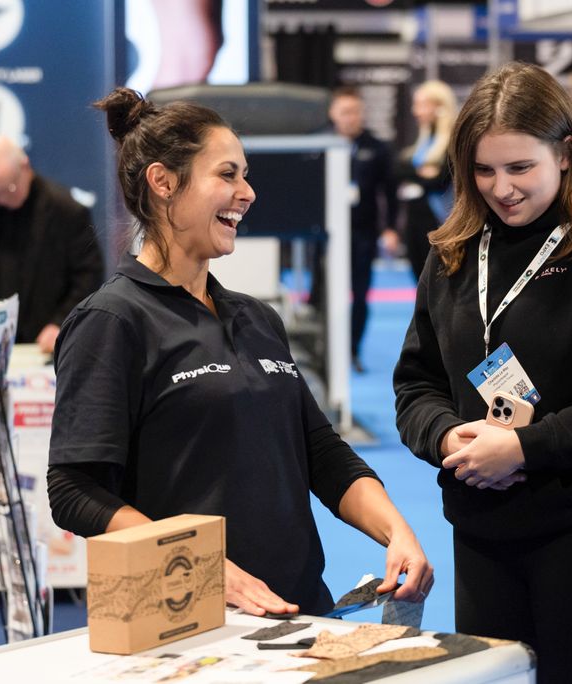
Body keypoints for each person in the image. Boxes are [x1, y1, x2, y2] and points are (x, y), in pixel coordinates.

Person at [46, 87, 433, 616]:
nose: (247, 193)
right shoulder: (112, 321)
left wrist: (396, 531)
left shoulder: (257, 318)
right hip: (187, 620)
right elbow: (74, 490)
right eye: (227, 174)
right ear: (163, 182)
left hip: (300, 613)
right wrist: (199, 563)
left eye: (245, 175)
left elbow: (321, 453)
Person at [393, 62, 572, 683]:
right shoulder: (451, 256)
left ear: (566, 153)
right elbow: (415, 385)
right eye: (484, 170)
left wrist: (526, 447)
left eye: (520, 167)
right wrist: (447, 437)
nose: (501, 188)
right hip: (480, 533)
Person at [0, 134, 104, 353]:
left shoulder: (67, 210)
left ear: (25, 167)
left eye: (9, 189)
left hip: (42, 342)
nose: (0, 199)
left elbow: (89, 275)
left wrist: (61, 322)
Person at [314, 86, 399, 372]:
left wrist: (390, 229)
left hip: (363, 233)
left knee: (360, 294)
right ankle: (322, 350)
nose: (350, 118)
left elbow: (390, 192)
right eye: (344, 112)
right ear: (332, 113)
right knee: (321, 293)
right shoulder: (319, 143)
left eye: (355, 112)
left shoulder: (376, 147)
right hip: (325, 235)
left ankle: (352, 350)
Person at [397, 80, 457, 282]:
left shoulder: (452, 142)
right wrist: (422, 173)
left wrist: (419, 175)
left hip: (439, 220)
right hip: (415, 218)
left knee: (438, 279)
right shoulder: (424, 141)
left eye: (422, 104)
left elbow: (440, 180)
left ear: (440, 106)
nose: (415, 111)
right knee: (420, 279)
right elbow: (399, 170)